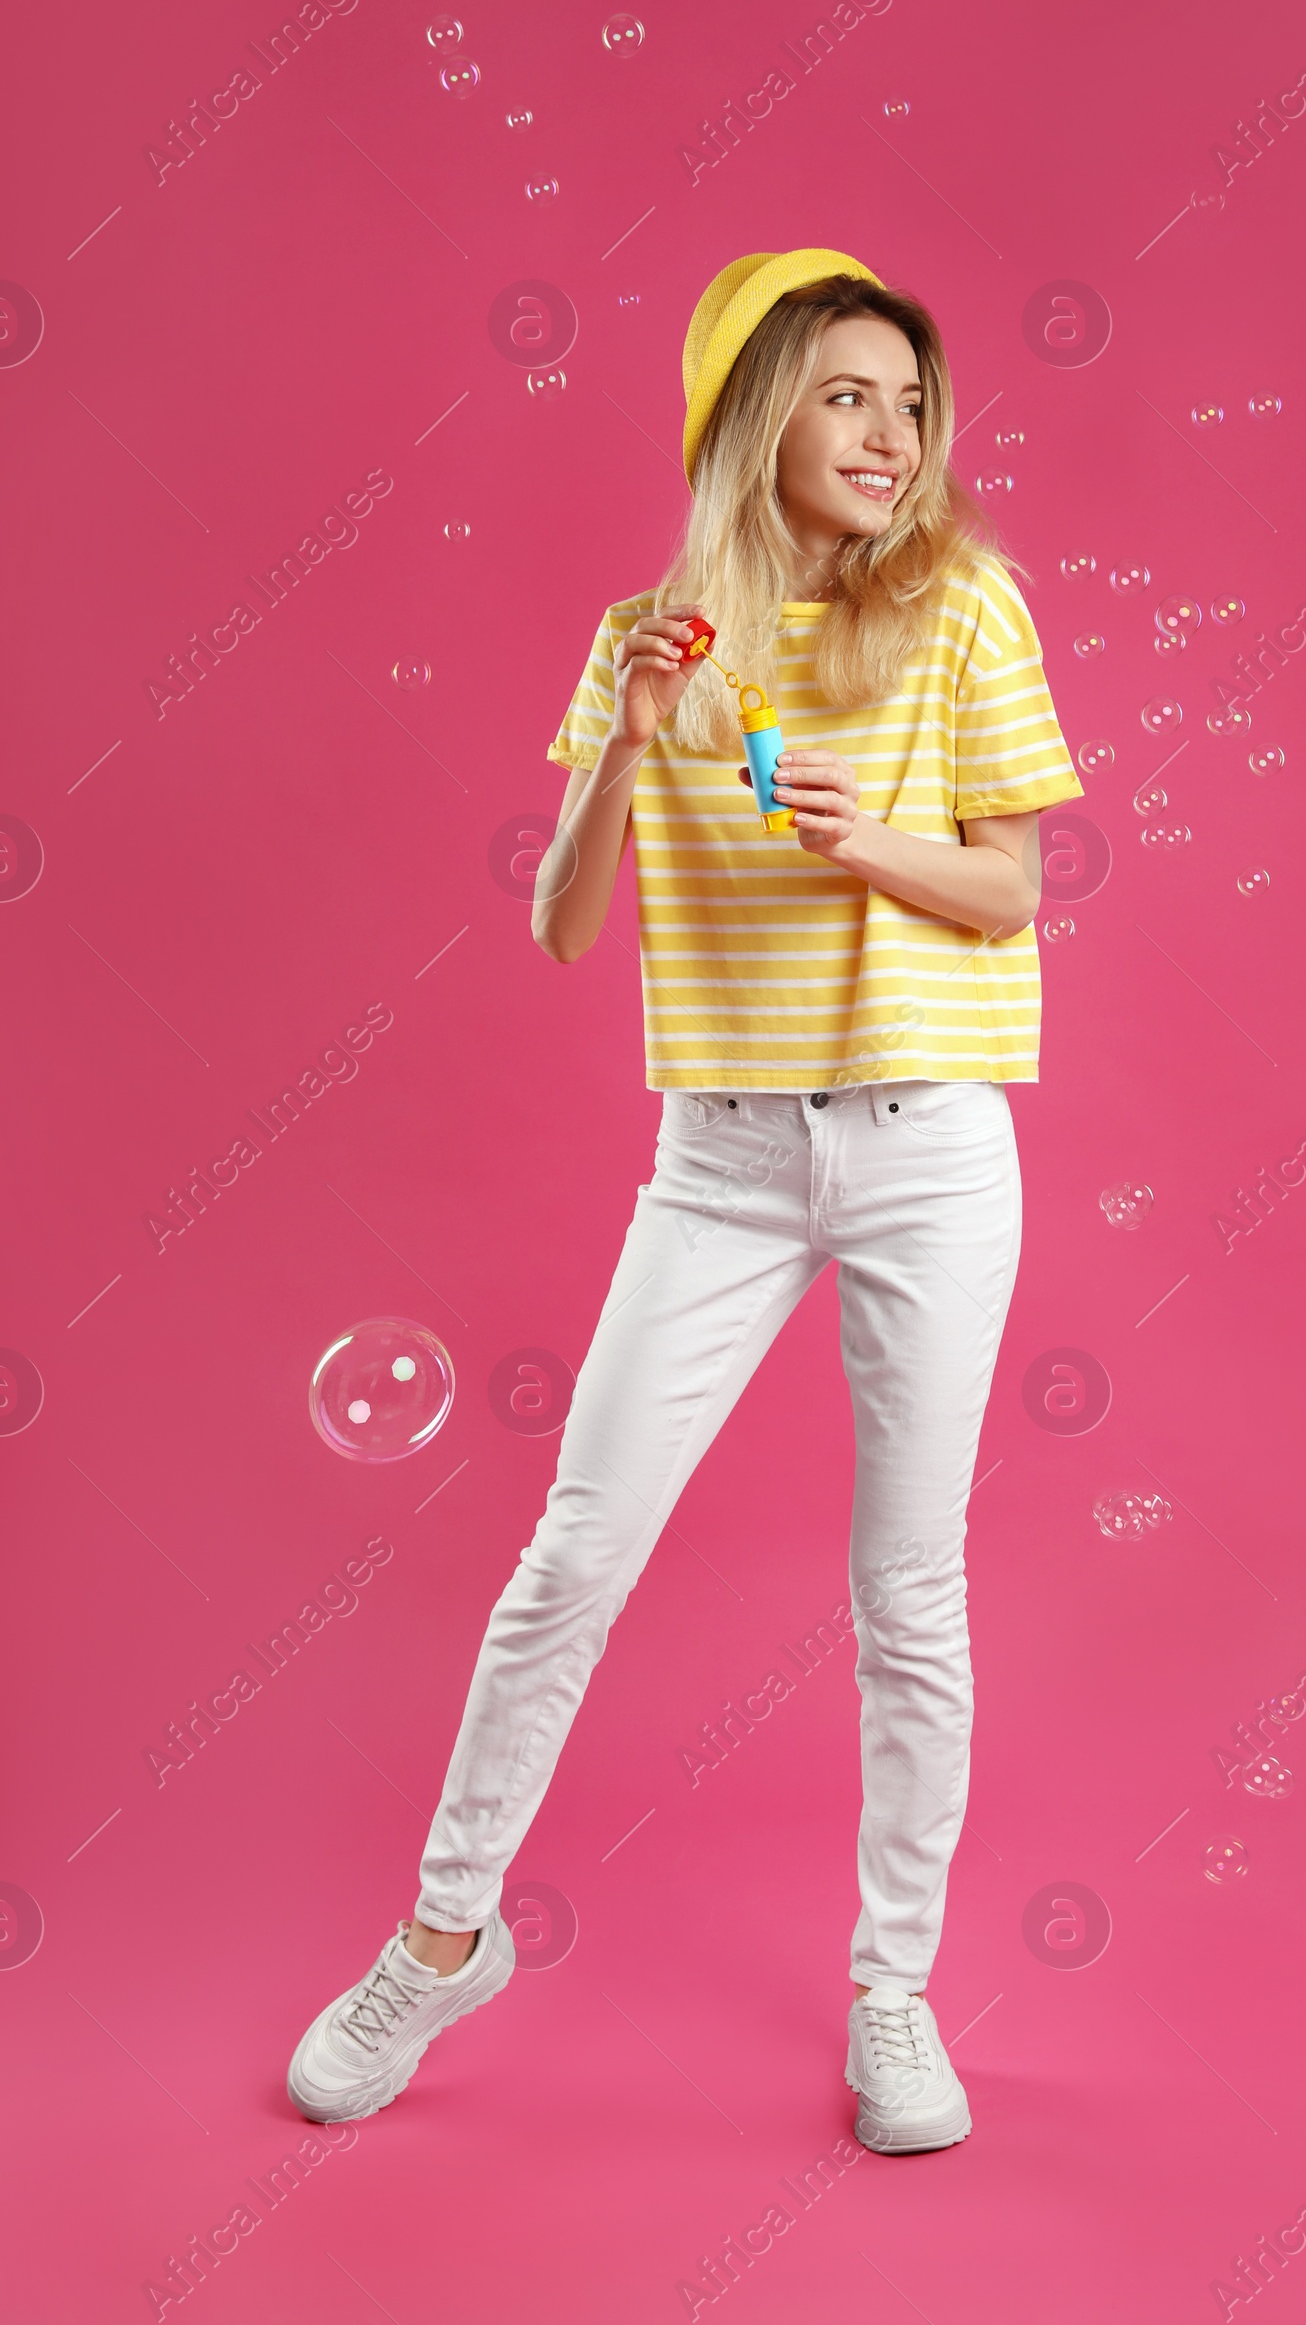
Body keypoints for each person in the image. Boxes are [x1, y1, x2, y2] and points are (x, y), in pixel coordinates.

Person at [288, 247, 1085, 2153]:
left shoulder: (966, 607)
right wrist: (626, 749)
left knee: (906, 1587)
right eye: (845, 396)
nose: (891, 434)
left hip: (923, 1145)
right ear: (754, 416)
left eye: (910, 401)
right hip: (719, 1159)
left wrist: (867, 836)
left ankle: (893, 2000)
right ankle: (439, 1936)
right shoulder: (650, 634)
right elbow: (565, 927)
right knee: (575, 1554)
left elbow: (1016, 891)